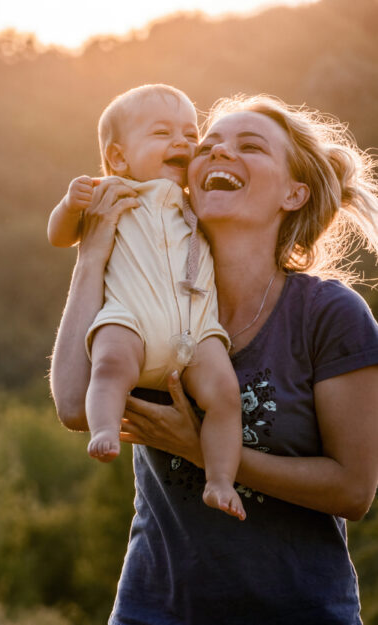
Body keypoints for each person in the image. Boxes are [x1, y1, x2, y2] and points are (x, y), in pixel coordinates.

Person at [50, 92, 378, 624]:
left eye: (250, 147)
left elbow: (354, 491)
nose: (219, 154)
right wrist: (91, 256)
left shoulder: (329, 315)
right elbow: (72, 406)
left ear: (294, 193)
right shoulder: (147, 297)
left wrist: (205, 452)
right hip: (153, 612)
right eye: (209, 146)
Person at [48, 84, 244, 520]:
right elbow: (60, 237)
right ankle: (103, 430)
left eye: (191, 135)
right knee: (111, 363)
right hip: (131, 319)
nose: (182, 143)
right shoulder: (111, 192)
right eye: (162, 134)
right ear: (119, 157)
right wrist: (68, 204)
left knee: (226, 395)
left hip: (195, 328)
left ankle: (220, 480)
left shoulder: (197, 202)